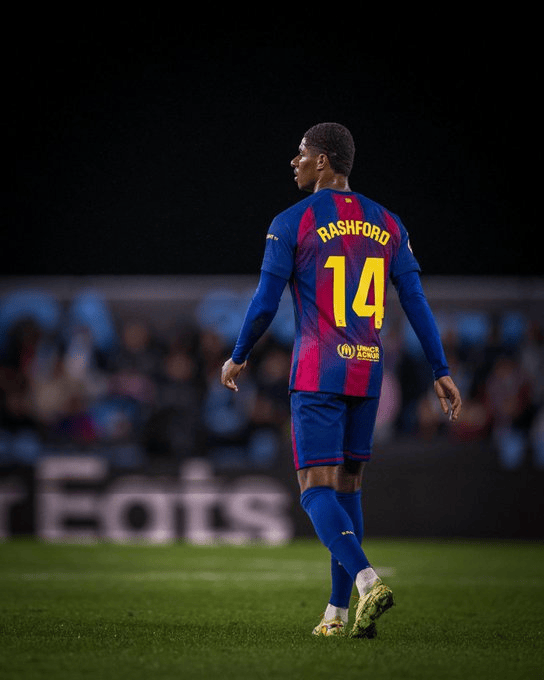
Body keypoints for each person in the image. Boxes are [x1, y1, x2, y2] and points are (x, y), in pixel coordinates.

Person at [221, 122, 462, 638]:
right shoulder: (389, 223)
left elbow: (264, 302)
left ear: (324, 160)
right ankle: (337, 613)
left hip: (318, 370)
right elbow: (415, 301)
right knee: (348, 489)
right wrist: (440, 369)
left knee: (314, 491)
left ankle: (367, 579)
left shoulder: (293, 221)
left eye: (301, 153)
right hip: (367, 370)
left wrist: (238, 355)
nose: (294, 161)